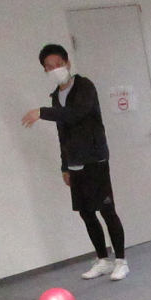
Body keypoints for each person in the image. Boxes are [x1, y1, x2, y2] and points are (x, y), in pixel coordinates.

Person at [22, 43, 128, 281]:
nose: (55, 69)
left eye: (58, 64)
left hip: (95, 159)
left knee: (106, 211)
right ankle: (103, 260)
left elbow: (76, 114)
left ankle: (121, 261)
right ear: (45, 71)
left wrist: (42, 112)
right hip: (75, 163)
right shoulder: (56, 97)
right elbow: (63, 133)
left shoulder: (85, 87)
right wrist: (65, 166)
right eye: (49, 67)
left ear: (67, 63)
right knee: (86, 213)